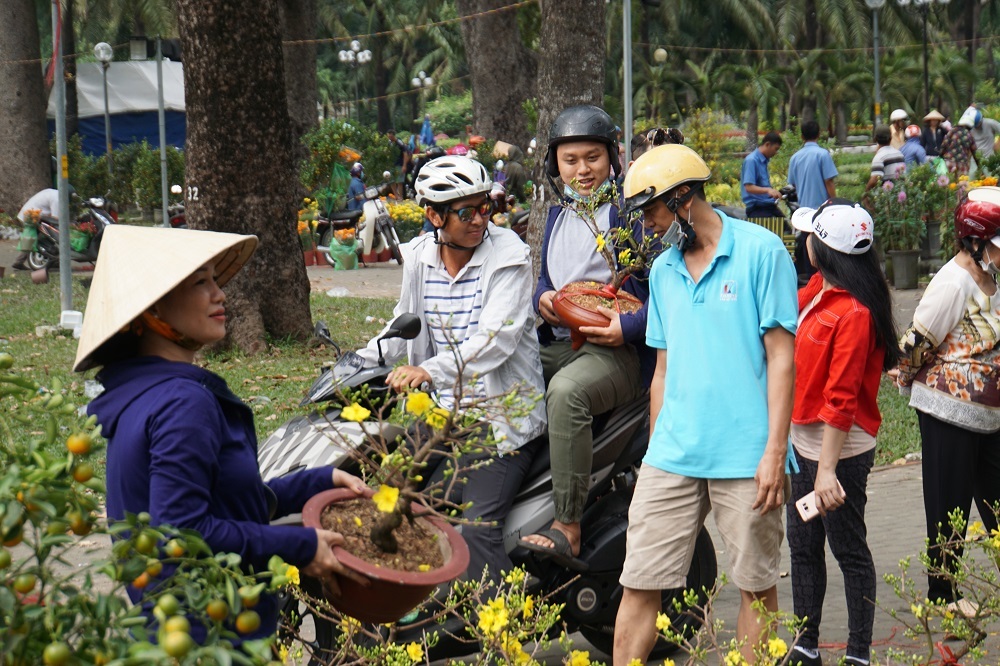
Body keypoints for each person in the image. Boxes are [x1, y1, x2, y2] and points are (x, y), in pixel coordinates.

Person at [75, 225, 369, 641]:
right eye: (201, 283)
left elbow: (220, 502)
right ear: (153, 309)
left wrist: (316, 482)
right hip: (210, 636)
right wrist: (299, 545)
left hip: (174, 631)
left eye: (216, 280)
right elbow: (185, 532)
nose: (221, 295)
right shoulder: (182, 402)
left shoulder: (141, 391)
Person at [613, 144, 798, 665]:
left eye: (652, 211)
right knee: (638, 582)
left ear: (684, 198)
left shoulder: (762, 253)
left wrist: (774, 451)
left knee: (755, 588)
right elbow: (662, 371)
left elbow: (782, 358)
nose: (648, 225)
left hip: (747, 456)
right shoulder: (663, 270)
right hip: (673, 456)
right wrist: (654, 452)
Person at [356, 154, 546, 585]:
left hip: (501, 419)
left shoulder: (510, 256)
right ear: (434, 216)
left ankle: (508, 620)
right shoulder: (421, 258)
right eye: (466, 212)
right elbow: (402, 324)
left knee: (475, 531)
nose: (480, 219)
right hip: (445, 414)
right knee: (389, 498)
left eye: (485, 207)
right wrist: (358, 362)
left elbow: (495, 340)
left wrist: (429, 372)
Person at [519, 105, 651, 563]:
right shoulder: (559, 214)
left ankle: (568, 523)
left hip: (618, 353)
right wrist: (543, 298)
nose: (582, 170)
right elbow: (545, 279)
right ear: (554, 164)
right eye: (570, 160)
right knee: (504, 373)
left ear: (612, 157)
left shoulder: (630, 216)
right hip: (563, 341)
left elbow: (668, 295)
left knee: (566, 394)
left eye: (592, 157)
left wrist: (628, 326)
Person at [786, 201, 898, 666]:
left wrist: (826, 470)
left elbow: (842, 398)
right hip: (802, 444)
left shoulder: (853, 313)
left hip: (840, 451)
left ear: (823, 249)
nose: (804, 243)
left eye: (809, 236)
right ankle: (805, 644)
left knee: (848, 549)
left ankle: (858, 654)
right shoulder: (818, 289)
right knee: (802, 546)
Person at [894, 185, 1000, 612]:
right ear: (975, 241)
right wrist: (904, 379)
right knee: (948, 502)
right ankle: (943, 596)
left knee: (996, 500)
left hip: (989, 414)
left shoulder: (990, 278)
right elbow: (916, 343)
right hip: (948, 412)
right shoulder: (953, 282)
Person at [787, 120, 838, 209]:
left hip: (803, 209)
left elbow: (793, 184)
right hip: (822, 208)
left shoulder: (794, 158)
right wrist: (835, 202)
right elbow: (829, 181)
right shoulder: (823, 154)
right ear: (819, 134)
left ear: (802, 137)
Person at [12, 187, 61, 271]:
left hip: (33, 215)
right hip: (30, 216)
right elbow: (55, 219)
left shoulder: (54, 193)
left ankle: (54, 260)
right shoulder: (57, 198)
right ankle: (19, 261)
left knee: (33, 238)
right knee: (33, 238)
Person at [740, 131, 784, 219]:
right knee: (777, 227)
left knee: (786, 225)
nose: (776, 152)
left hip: (768, 205)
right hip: (757, 208)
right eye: (775, 149)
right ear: (767, 144)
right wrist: (768, 190)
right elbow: (749, 187)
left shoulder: (763, 161)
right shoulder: (752, 160)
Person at [940, 107, 981, 177]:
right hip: (962, 164)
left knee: (949, 182)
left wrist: (941, 155)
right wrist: (979, 166)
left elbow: (944, 144)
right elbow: (975, 152)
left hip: (950, 161)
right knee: (962, 182)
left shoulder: (952, 131)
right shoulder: (969, 135)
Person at [866, 125, 906, 193]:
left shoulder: (879, 157)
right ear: (891, 138)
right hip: (900, 195)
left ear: (875, 139)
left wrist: (865, 193)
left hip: (886, 197)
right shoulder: (900, 154)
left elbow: (874, 180)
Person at [387, 128, 411, 199]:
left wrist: (404, 165)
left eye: (391, 136)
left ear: (393, 135)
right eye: (389, 136)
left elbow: (405, 153)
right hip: (391, 164)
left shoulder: (399, 143)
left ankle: (400, 196)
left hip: (399, 164)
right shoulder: (389, 143)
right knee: (391, 180)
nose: (390, 138)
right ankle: (396, 195)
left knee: (399, 181)